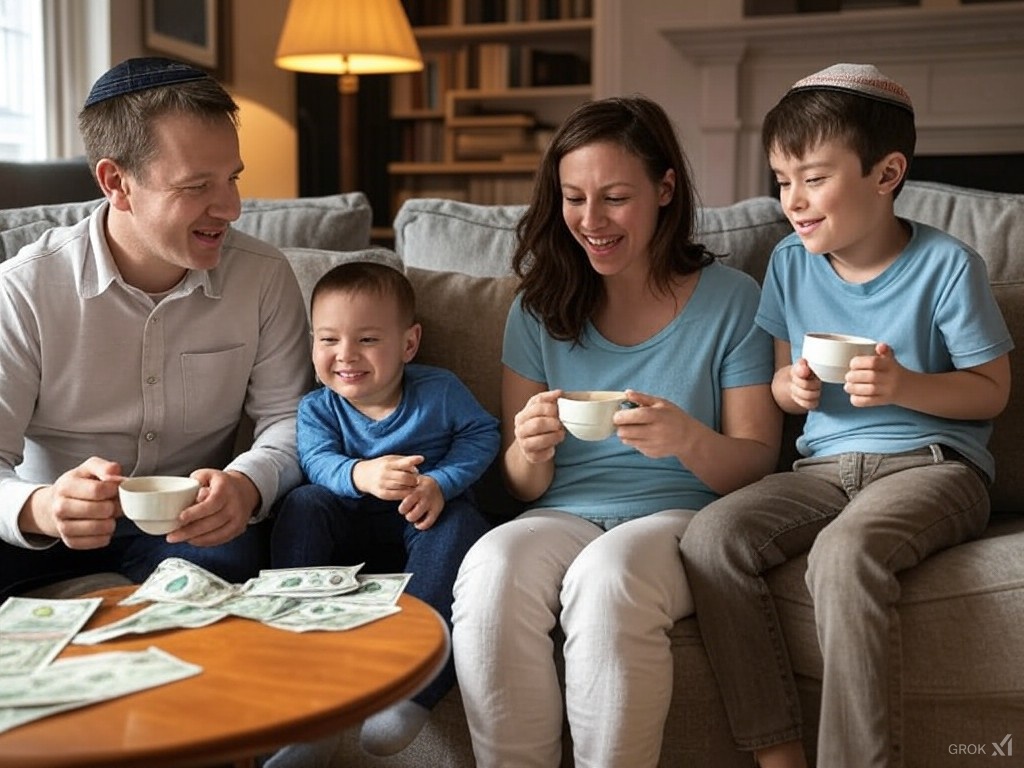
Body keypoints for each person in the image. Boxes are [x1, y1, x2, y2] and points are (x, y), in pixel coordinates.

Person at [680, 63, 1013, 768]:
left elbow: (991, 389)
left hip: (930, 467)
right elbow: (777, 381)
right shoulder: (787, 266)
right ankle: (779, 751)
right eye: (781, 180)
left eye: (814, 177)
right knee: (711, 540)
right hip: (823, 468)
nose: (792, 200)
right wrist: (789, 392)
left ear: (886, 172)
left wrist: (905, 386)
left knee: (844, 554)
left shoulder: (948, 266)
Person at [449, 95, 782, 768]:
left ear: (665, 190)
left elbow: (757, 465)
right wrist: (530, 446)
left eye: (615, 197)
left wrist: (685, 438)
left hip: (681, 516)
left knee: (609, 577)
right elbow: (519, 486)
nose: (590, 221)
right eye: (573, 198)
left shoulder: (733, 300)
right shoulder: (539, 306)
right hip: (562, 510)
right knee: (490, 567)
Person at [0, 57, 311, 598]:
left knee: (232, 559)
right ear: (116, 182)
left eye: (232, 179)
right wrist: (42, 507)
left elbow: (287, 421)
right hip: (45, 531)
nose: (232, 208)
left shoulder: (263, 277)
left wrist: (245, 485)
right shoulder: (24, 289)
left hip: (185, 530)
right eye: (197, 187)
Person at [268, 261, 499, 757]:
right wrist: (360, 475)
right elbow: (314, 460)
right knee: (304, 503)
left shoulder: (439, 391)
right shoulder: (317, 408)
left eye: (367, 340)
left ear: (409, 345)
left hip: (425, 521)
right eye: (328, 340)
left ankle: (413, 689)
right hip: (347, 527)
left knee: (460, 522)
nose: (345, 355)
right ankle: (303, 672)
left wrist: (441, 481)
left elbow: (483, 434)